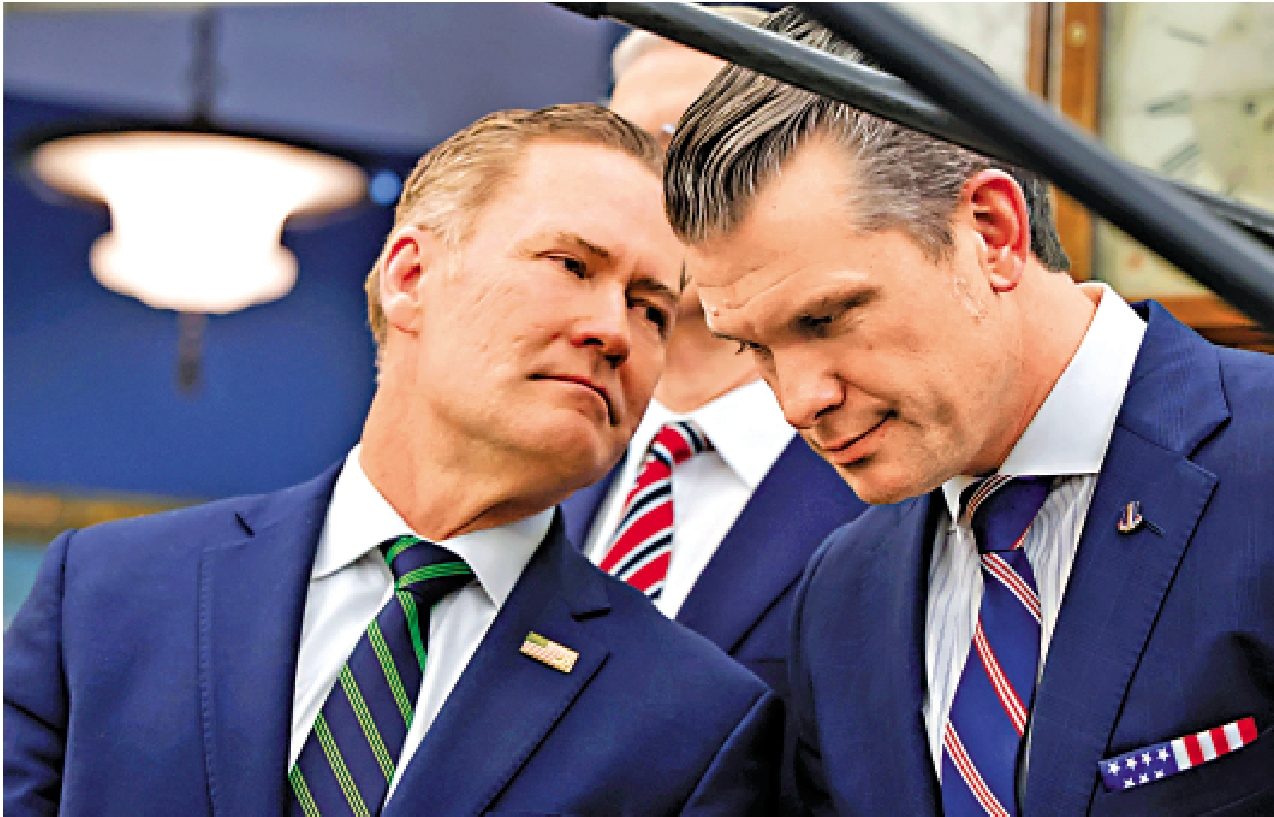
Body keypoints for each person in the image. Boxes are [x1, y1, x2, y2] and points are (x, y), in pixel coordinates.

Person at [5, 103, 782, 816]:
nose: (613, 330)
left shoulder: (692, 721)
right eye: (572, 266)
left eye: (651, 309)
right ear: (411, 278)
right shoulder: (103, 595)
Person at [665, 8, 1274, 816]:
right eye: (754, 347)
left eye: (826, 318)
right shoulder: (842, 593)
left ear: (992, 231)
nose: (799, 399)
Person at [563, 6, 865, 712]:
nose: (663, 188)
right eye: (629, 151)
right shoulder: (551, 458)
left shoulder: (890, 479)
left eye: (701, 146)